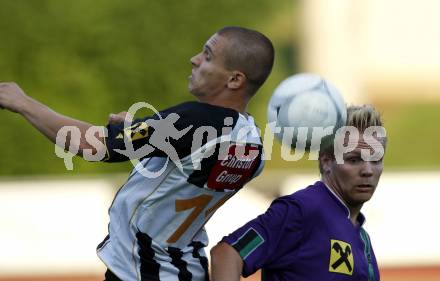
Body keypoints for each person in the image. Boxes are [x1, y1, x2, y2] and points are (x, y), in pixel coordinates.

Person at [0, 26, 275, 281]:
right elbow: (186, 166)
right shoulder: (253, 144)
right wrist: (140, 132)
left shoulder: (195, 119)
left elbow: (92, 145)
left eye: (207, 55)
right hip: (184, 269)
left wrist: (23, 103)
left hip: (145, 271)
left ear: (235, 79)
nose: (194, 60)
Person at [210, 105, 386, 281]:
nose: (368, 171)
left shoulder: (362, 238)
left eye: (376, 160)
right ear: (326, 161)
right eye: (354, 160)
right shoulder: (302, 210)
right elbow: (227, 253)